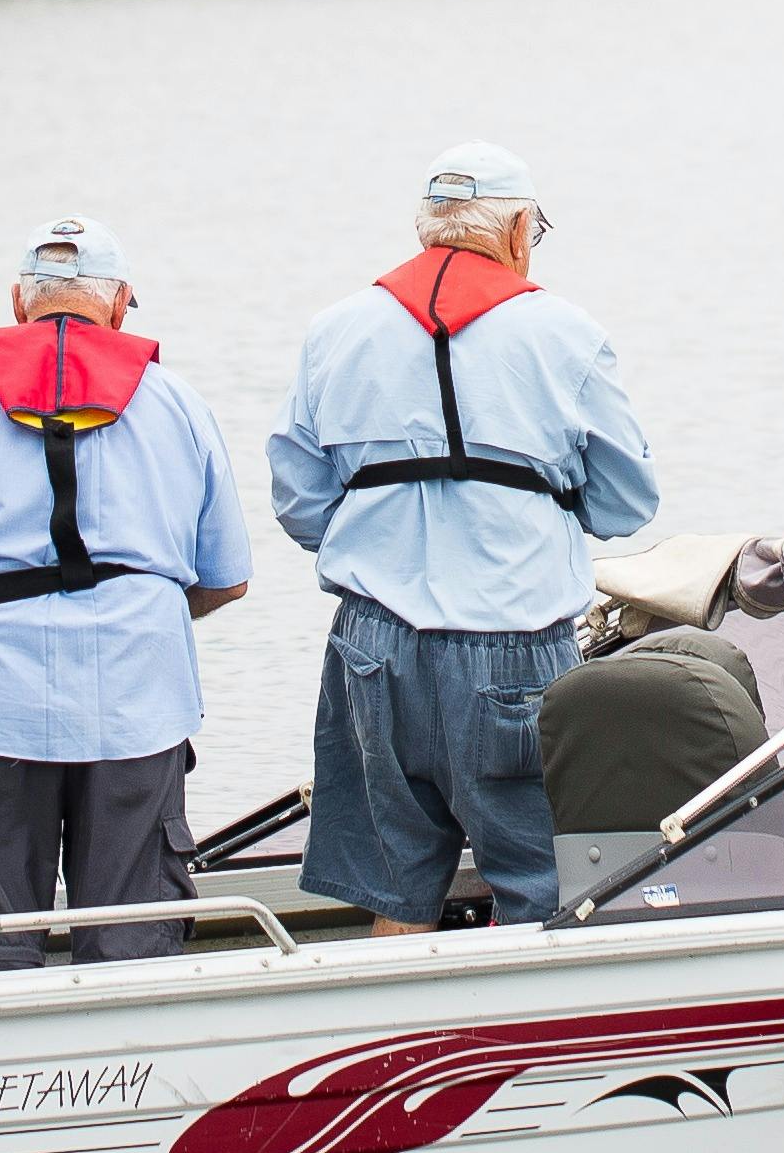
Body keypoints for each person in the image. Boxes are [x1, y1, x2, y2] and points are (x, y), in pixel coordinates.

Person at [270, 142, 661, 932]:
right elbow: (626, 504)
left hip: (371, 647)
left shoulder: (334, 330)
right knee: (544, 884)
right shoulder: (566, 334)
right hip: (513, 642)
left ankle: (394, 1048)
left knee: (395, 887)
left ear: (427, 231)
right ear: (518, 231)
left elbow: (299, 502)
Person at [0, 214, 254, 970]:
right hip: (137, 700)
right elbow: (226, 579)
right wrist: (138, 607)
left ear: (18, 303)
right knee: (132, 944)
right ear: (119, 304)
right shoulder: (177, 403)